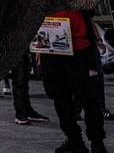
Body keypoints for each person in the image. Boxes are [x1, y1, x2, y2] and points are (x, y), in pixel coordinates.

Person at [39, 9, 107, 153]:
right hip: (51, 49)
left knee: (89, 98)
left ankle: (97, 142)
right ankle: (74, 139)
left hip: (80, 50)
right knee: (60, 99)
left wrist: (97, 40)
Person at [9, 52, 49, 125]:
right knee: (20, 81)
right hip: (17, 49)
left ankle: (26, 111)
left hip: (24, 49)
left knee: (23, 79)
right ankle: (21, 113)